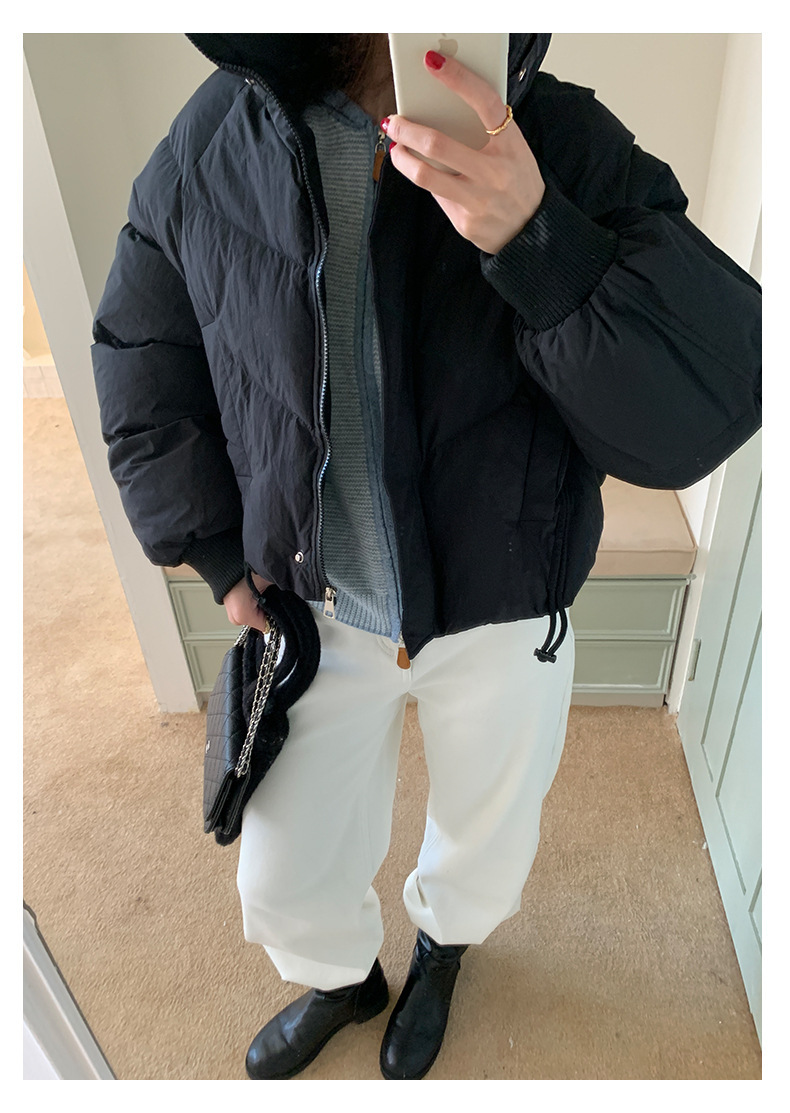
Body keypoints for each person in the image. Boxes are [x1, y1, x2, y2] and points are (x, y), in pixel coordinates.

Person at [91, 33, 761, 1080]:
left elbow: (700, 406)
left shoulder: (561, 137)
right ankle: (340, 978)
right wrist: (215, 554)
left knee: (490, 829)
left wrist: (542, 241)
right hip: (310, 604)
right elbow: (144, 353)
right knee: (282, 869)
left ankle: (445, 946)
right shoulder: (216, 136)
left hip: (504, 595)